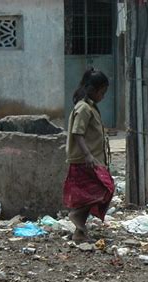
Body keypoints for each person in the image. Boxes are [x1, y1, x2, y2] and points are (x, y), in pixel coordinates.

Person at [63, 68, 114, 242]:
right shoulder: (83, 108)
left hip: (92, 159)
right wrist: (88, 156)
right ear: (93, 89)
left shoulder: (90, 107)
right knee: (104, 189)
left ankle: (80, 232)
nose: (103, 96)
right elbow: (78, 133)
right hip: (85, 161)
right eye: (102, 92)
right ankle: (76, 216)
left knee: (88, 194)